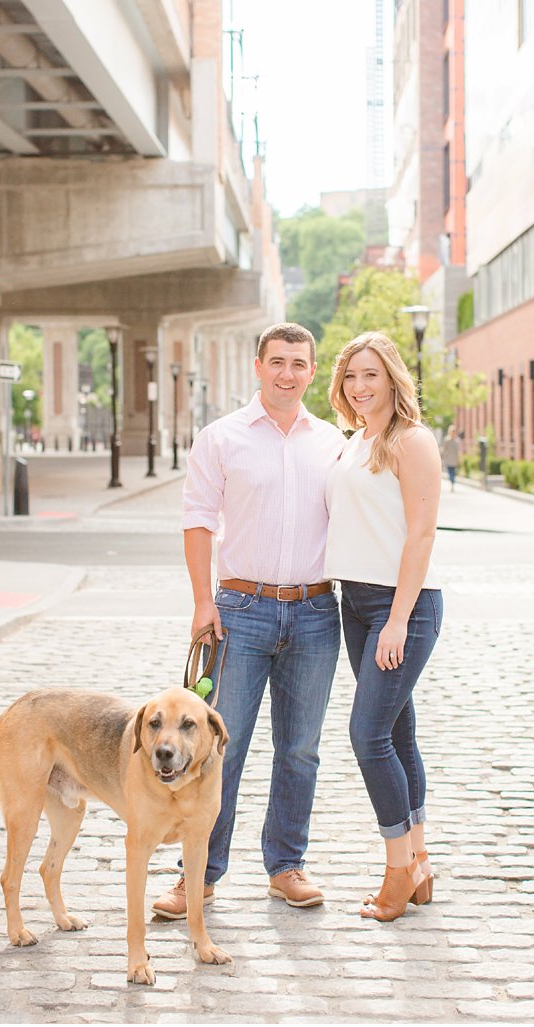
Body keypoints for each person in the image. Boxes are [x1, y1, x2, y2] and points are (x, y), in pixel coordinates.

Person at [153, 322, 345, 919]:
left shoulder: (334, 442)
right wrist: (201, 602)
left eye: (299, 363)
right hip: (240, 610)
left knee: (301, 750)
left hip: (316, 611)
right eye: (278, 362)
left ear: (313, 372)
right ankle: (198, 876)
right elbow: (197, 521)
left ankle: (286, 865)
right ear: (258, 366)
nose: (288, 373)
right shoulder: (222, 438)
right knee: (215, 751)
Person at [323, 331, 444, 922]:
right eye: (351, 376)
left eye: (371, 374)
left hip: (405, 607)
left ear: (393, 378)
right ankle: (420, 862)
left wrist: (398, 618)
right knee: (397, 736)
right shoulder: (354, 442)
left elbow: (422, 533)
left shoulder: (412, 441)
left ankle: (397, 868)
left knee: (367, 736)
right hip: (356, 602)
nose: (361, 386)